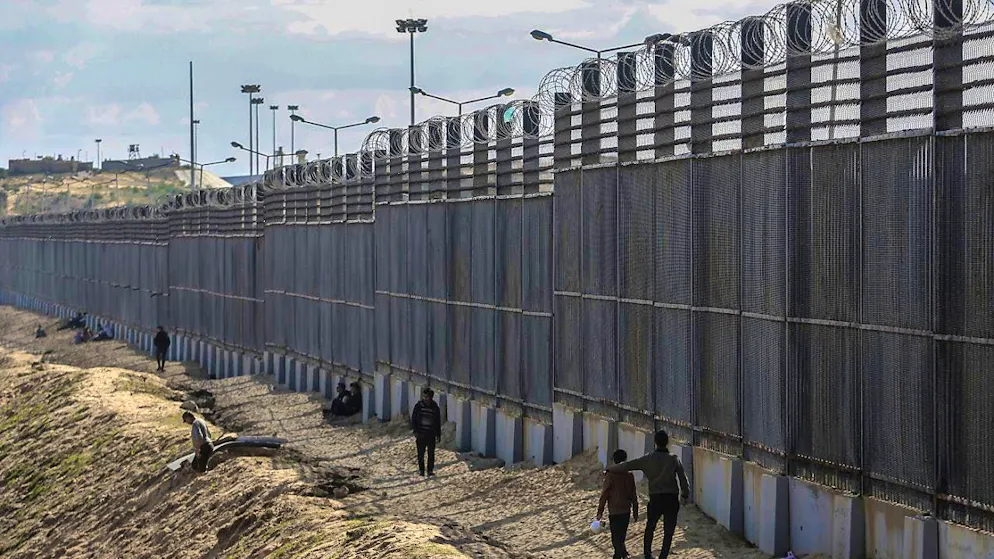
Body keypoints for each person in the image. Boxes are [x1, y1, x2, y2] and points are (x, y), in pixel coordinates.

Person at [606, 430, 690, 559]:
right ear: (667, 442)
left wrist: (609, 469)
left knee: (650, 526)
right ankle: (663, 556)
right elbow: (683, 479)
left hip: (656, 497)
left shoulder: (648, 459)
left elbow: (627, 465)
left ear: (655, 442)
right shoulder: (673, 459)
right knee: (669, 530)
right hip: (671, 497)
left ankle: (647, 554)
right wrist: (685, 495)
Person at [597, 449, 639, 559]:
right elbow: (633, 494)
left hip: (614, 510)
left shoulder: (610, 475)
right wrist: (635, 511)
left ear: (614, 461)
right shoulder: (629, 475)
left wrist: (600, 511)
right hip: (626, 510)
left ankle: (621, 555)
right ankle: (623, 554)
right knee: (621, 537)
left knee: (616, 538)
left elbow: (604, 494)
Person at [410, 387, 442, 477]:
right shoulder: (418, 406)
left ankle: (430, 470)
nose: (425, 398)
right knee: (420, 454)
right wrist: (415, 431)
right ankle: (421, 470)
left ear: (431, 397)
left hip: (431, 434)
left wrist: (438, 434)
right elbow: (414, 419)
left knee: (431, 453)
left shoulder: (435, 407)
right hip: (420, 434)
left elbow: (437, 421)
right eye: (424, 396)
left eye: (427, 397)